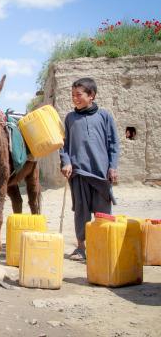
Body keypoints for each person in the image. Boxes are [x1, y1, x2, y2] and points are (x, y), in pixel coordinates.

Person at [60, 77, 120, 261]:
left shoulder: (104, 116)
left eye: (79, 95)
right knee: (81, 210)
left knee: (103, 213)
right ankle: (81, 248)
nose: (75, 98)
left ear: (91, 95)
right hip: (78, 173)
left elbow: (113, 144)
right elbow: (64, 144)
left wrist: (113, 166)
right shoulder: (70, 118)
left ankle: (102, 247)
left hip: (100, 173)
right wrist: (66, 161)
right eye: (73, 95)